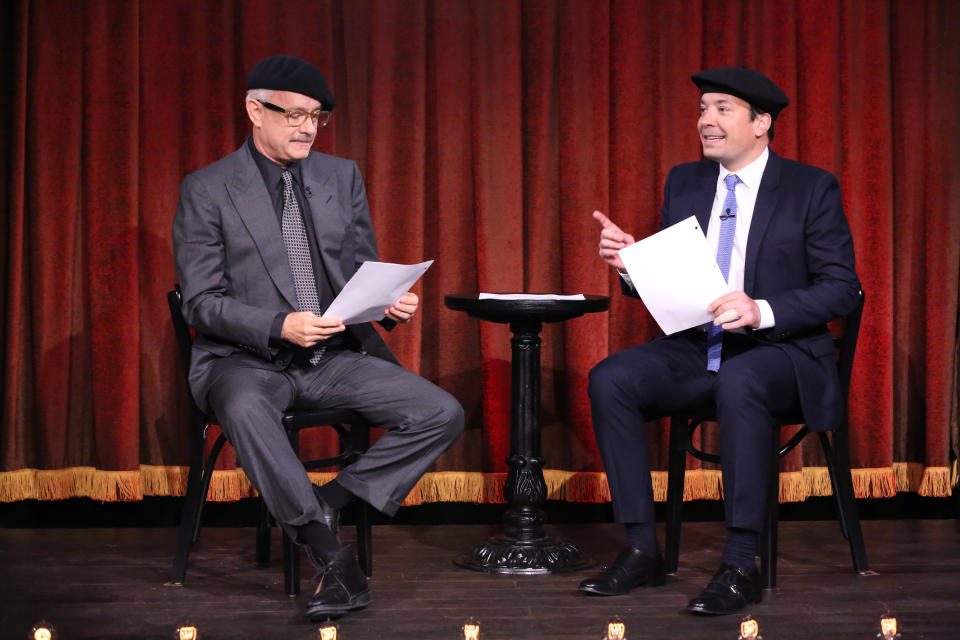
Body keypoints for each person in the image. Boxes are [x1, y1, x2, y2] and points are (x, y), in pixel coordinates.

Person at [172, 54, 464, 620]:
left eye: (318, 117)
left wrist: (386, 302)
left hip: (331, 356)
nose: (308, 127)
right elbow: (202, 302)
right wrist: (278, 325)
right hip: (246, 360)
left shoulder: (339, 176)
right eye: (295, 115)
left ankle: (326, 503)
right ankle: (331, 557)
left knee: (440, 412)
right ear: (256, 111)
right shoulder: (208, 189)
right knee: (246, 405)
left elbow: (357, 267)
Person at [578, 66, 860, 615]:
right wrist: (633, 265)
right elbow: (674, 289)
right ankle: (640, 550)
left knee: (742, 378)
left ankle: (740, 562)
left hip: (783, 354)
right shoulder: (684, 182)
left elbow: (841, 289)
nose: (706, 120)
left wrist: (762, 309)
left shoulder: (809, 187)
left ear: (762, 123)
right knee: (610, 378)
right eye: (703, 109)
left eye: (722, 109)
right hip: (701, 348)